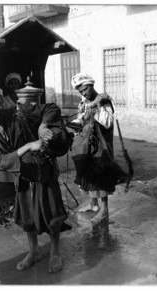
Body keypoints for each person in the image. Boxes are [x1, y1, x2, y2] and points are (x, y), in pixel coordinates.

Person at [0, 82, 71, 273]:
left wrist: (43, 126)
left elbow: (51, 107)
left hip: (43, 169)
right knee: (27, 215)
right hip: (22, 175)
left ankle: (55, 252)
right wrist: (27, 146)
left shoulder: (16, 113)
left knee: (51, 213)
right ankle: (34, 251)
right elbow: (0, 161)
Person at [70, 73, 119, 224]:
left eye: (85, 89)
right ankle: (94, 205)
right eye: (81, 91)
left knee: (101, 176)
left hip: (101, 146)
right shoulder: (85, 102)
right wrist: (76, 122)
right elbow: (82, 118)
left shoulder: (104, 101)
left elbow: (108, 122)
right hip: (88, 144)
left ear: (91, 85)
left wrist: (96, 107)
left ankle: (104, 210)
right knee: (89, 174)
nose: (83, 93)